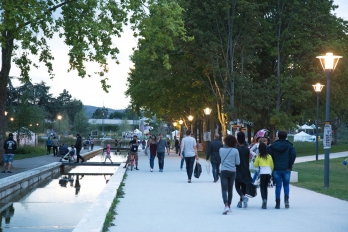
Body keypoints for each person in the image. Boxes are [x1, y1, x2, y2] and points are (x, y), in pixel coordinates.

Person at [269, 131, 296, 209]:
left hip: (276, 168)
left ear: (278, 136)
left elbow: (270, 156)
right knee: (286, 185)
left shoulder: (273, 146)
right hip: (286, 168)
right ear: (286, 136)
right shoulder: (289, 145)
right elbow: (293, 154)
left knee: (278, 186)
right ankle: (286, 201)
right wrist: (290, 164)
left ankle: (277, 203)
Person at [219, 135, 240, 214]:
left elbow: (221, 159)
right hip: (232, 171)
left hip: (224, 170)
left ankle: (226, 205)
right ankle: (229, 205)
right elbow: (238, 162)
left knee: (224, 189)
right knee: (230, 189)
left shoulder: (221, 150)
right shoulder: (235, 151)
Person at [254, 142, 274, 209]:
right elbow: (272, 165)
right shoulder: (269, 156)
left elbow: (255, 165)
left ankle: (263, 199)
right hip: (268, 173)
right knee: (266, 187)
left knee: (262, 187)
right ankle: (266, 200)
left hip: (262, 173)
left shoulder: (258, 156)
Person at [235, 132, 252, 208]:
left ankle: (242, 197)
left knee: (237, 186)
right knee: (244, 186)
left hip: (238, 169)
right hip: (245, 169)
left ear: (237, 139)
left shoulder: (236, 149)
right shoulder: (247, 149)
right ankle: (241, 201)